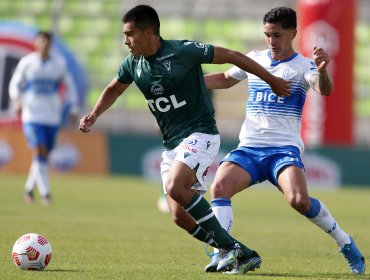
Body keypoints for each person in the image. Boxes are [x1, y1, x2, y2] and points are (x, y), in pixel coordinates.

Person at [79, 5, 291, 272]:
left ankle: (231, 249)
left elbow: (234, 56)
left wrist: (271, 79)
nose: (125, 41)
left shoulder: (182, 51)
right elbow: (113, 89)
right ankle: (238, 251)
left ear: (148, 33)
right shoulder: (133, 64)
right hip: (172, 144)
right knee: (178, 215)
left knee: (176, 186)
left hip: (200, 133)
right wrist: (94, 114)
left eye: (130, 34)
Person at [203, 6, 365, 275]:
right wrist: (186, 80)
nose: (271, 41)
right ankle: (226, 252)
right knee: (219, 188)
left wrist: (323, 71)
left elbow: (323, 88)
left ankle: (345, 242)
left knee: (299, 201)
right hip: (249, 150)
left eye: (277, 35)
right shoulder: (255, 60)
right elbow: (223, 79)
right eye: (267, 34)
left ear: (293, 33)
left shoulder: (303, 67)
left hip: (282, 151)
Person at [9, 31, 79, 205]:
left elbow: (70, 86)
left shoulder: (59, 64)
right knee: (38, 149)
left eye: (46, 42)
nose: (43, 45)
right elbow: (15, 84)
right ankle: (46, 193)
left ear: (51, 44)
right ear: (36, 43)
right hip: (31, 114)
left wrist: (74, 107)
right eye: (40, 42)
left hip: (52, 116)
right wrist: (17, 101)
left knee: (43, 155)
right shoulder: (27, 63)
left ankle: (28, 189)